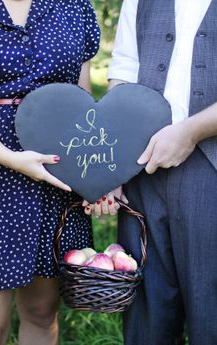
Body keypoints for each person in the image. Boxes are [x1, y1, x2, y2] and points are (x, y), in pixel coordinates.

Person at [86, 0, 217, 344]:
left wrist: (191, 132)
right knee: (148, 313)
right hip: (141, 170)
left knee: (211, 308)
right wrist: (112, 162)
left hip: (212, 171)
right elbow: (124, 72)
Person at [0, 0, 100, 344]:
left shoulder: (74, 7)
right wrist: (10, 157)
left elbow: (82, 101)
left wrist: (95, 174)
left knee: (41, 311)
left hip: (55, 174)